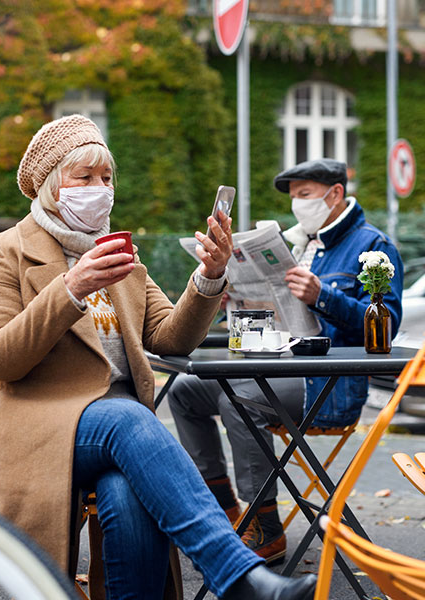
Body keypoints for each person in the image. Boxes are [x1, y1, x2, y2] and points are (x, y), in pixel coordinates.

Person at [0, 115, 316, 600]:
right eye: (84, 178)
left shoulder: (119, 254)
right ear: (50, 189)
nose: (100, 189)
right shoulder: (3, 252)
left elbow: (169, 338)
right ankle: (237, 574)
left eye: (106, 178)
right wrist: (71, 288)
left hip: (120, 439)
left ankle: (231, 579)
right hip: (33, 428)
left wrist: (209, 276)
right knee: (127, 418)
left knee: (127, 492)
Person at [168, 158, 404, 564]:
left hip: (327, 385)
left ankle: (266, 527)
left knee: (241, 396)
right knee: (186, 391)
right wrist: (233, 300)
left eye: (305, 195)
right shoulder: (301, 243)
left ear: (335, 194)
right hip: (278, 367)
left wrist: (323, 297)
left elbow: (387, 328)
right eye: (294, 197)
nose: (297, 204)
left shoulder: (373, 246)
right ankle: (223, 509)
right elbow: (280, 316)